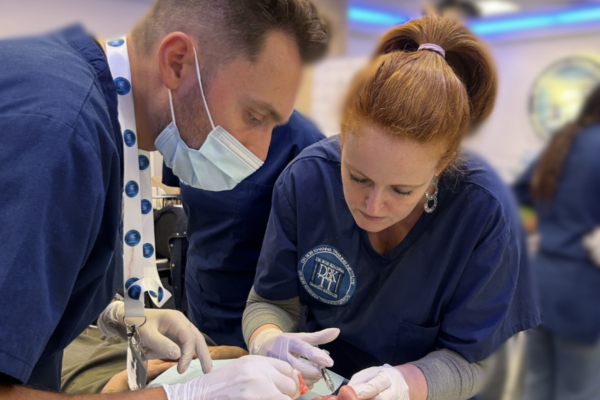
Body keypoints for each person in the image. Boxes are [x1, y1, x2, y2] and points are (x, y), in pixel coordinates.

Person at [0, 0, 328, 398]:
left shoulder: (75, 80)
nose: (260, 155)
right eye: (254, 117)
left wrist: (123, 315)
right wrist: (176, 396)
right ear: (177, 63)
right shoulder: (63, 134)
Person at [242, 15, 540, 400]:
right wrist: (269, 340)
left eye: (401, 189)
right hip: (325, 384)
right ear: (343, 138)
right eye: (357, 177)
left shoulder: (483, 212)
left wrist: (402, 385)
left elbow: (474, 361)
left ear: (440, 170)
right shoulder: (307, 180)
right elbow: (269, 301)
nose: (372, 205)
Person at [162, 111, 325, 349]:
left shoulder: (303, 144)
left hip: (263, 305)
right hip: (199, 291)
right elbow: (184, 192)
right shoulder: (190, 118)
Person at [513, 86, 600, 400]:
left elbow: (521, 192)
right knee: (578, 392)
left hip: (540, 284)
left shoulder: (562, 142)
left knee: (536, 384)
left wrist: (549, 220)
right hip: (583, 291)